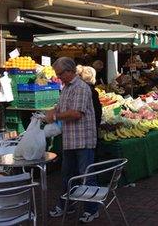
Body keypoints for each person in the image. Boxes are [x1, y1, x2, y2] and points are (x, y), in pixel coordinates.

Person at [46, 57, 99, 223]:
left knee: (86, 175)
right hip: (70, 140)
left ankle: (92, 210)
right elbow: (62, 107)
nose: (58, 77)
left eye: (60, 74)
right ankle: (67, 205)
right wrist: (50, 111)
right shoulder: (66, 87)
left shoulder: (81, 88)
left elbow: (76, 113)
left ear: (69, 71)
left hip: (83, 139)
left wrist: (55, 116)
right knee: (67, 175)